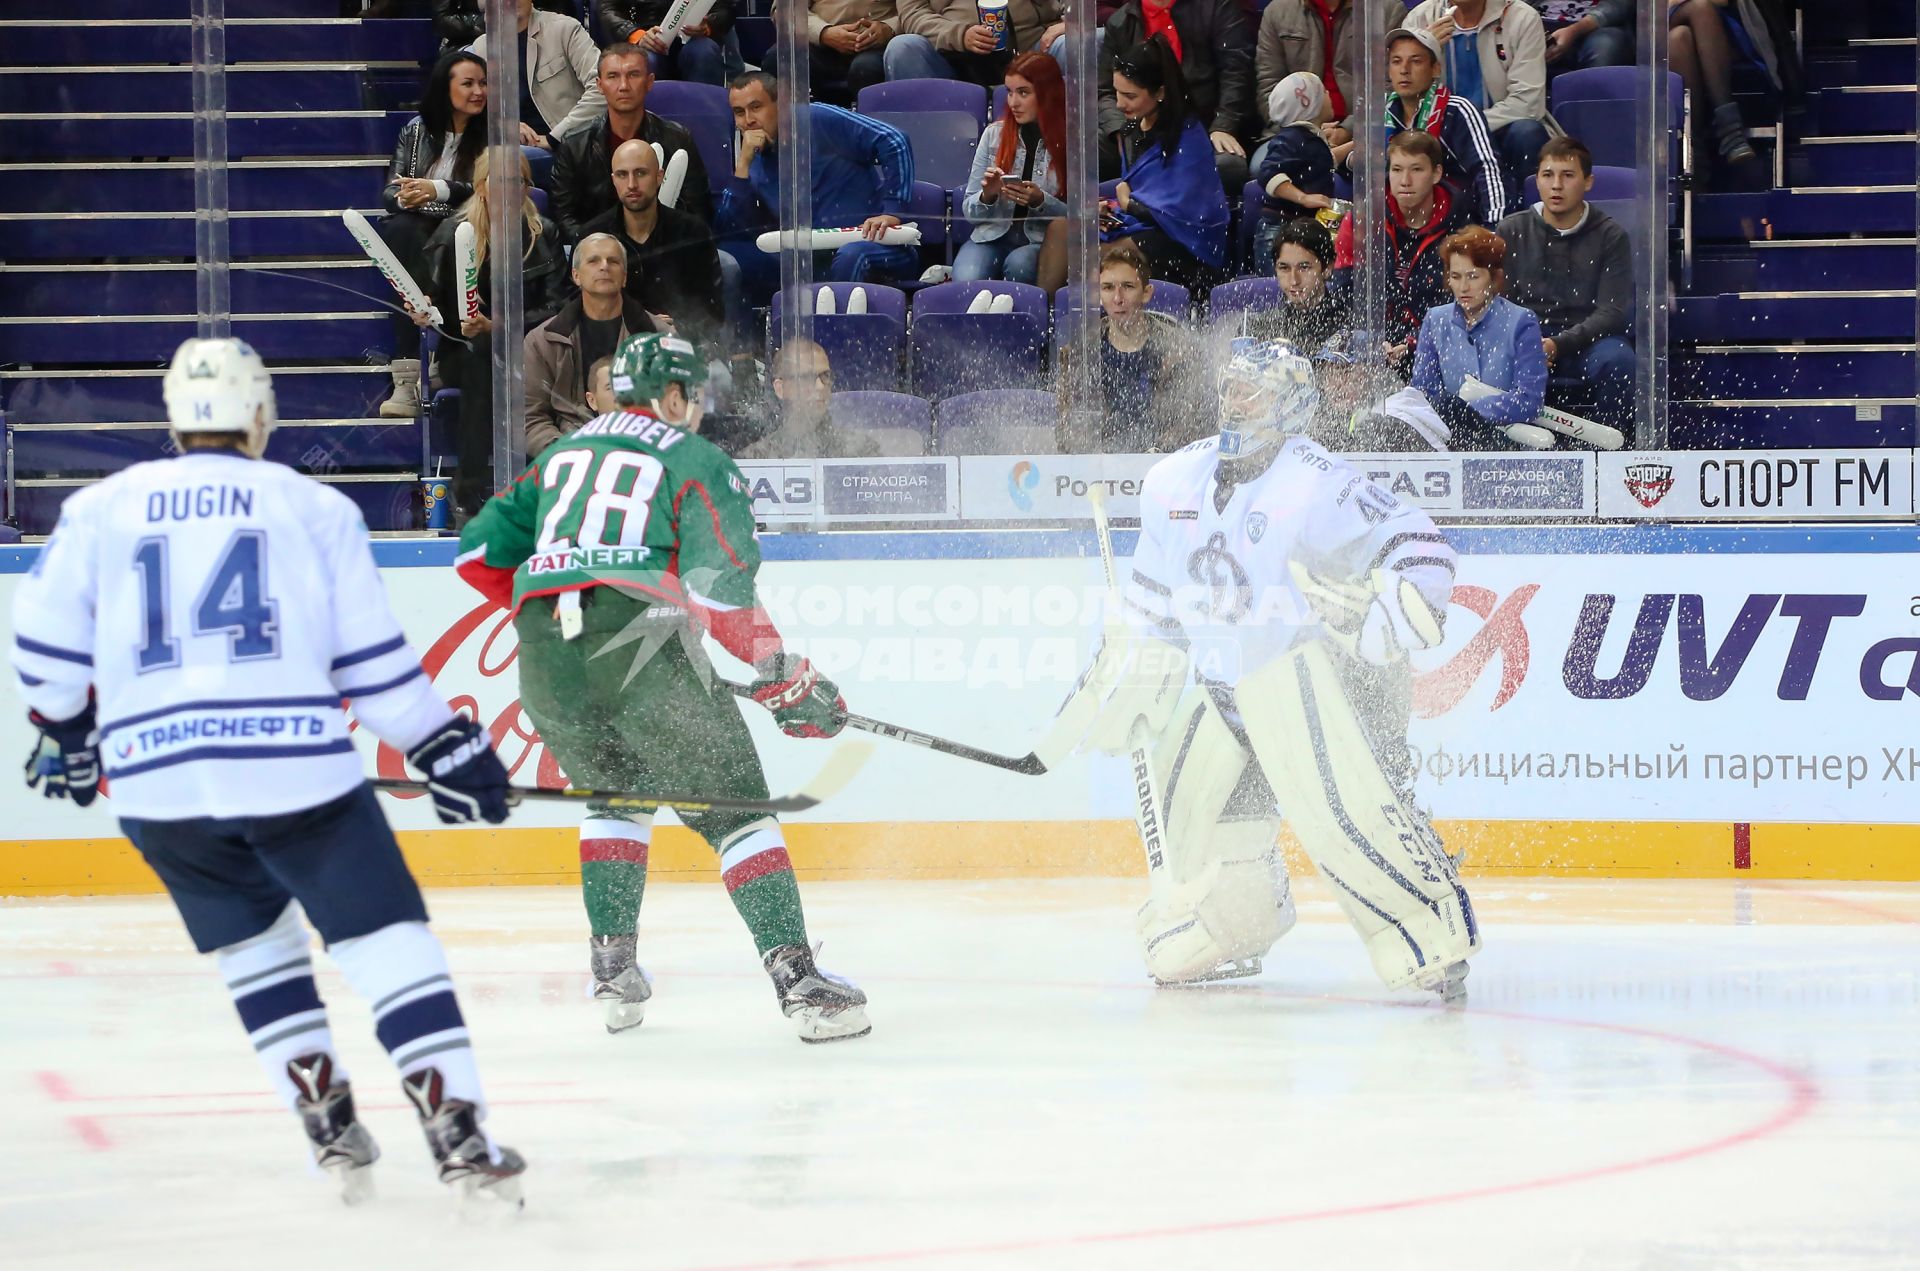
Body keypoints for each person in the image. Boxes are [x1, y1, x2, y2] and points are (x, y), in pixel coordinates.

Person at [10, 337, 525, 1204]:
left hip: (154, 782)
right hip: (295, 774)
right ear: (260, 413)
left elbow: (44, 647)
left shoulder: (101, 507)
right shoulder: (310, 505)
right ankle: (459, 1132)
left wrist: (67, 728)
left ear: (175, 417)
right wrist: (448, 746)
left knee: (254, 949)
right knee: (383, 939)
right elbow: (371, 664)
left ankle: (328, 1125)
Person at [455, 333, 873, 1044]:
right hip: (634, 640)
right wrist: (782, 674)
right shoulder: (693, 457)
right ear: (673, 397)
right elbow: (720, 589)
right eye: (695, 397)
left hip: (543, 651)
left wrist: (568, 624)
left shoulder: (560, 457)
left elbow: (475, 552)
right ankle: (801, 985)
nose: (700, 412)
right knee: (737, 810)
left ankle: (614, 969)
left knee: (619, 796)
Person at [1075, 336, 1475, 997]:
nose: (1236, 400)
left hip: (1324, 682)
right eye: (1232, 386)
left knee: (1355, 816)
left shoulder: (1318, 481)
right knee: (1206, 884)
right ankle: (1245, 922)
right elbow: (1152, 605)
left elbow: (1418, 544)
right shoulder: (1174, 479)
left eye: (1253, 390)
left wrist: (1396, 615)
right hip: (1227, 695)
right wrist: (1128, 663)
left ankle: (1431, 930)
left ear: (1291, 407)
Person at [417, 150, 569, 515]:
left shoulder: (542, 234)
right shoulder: (453, 231)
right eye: (501, 181)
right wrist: (423, 310)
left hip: (531, 352)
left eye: (519, 181)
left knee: (496, 355)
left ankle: (541, 487)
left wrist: (500, 327)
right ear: (483, 187)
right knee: (481, 359)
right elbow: (432, 298)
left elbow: (558, 308)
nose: (510, 189)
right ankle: (469, 492)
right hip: (466, 352)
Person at [721, 72, 918, 294]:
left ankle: (837, 329)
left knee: (851, 256)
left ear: (781, 104)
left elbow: (894, 140)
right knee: (726, 259)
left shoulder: (815, 119)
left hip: (873, 242)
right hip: (808, 255)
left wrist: (892, 209)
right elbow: (730, 228)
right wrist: (743, 166)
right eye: (739, 112)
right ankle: (740, 330)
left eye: (756, 107)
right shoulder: (752, 157)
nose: (748, 120)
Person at [377, 49, 489, 419]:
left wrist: (435, 190)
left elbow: (483, 189)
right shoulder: (415, 129)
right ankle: (410, 375)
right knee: (402, 230)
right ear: (445, 88)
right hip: (416, 226)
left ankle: (420, 365)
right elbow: (390, 190)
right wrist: (407, 195)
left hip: (466, 224)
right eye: (469, 83)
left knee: (432, 234)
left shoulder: (492, 133)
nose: (479, 91)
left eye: (483, 83)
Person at [1497, 135, 1634, 432]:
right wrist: (1527, 344)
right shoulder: (1511, 229)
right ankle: (1501, 454)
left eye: (1567, 175)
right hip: (1525, 340)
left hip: (1588, 343)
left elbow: (1612, 311)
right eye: (1547, 175)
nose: (1556, 185)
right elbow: (1497, 304)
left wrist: (1558, 345)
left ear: (1588, 182)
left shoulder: (1611, 235)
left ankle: (1612, 459)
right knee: (1489, 359)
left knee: (1620, 362)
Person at [1091, 38, 1231, 293]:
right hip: (1140, 226)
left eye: (1130, 95)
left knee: (1095, 254)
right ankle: (1053, 320)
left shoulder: (1189, 136)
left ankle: (1087, 316)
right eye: (1117, 93)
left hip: (1184, 245)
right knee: (1064, 232)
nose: (1120, 104)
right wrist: (1111, 208)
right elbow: (1137, 189)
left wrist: (1127, 203)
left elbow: (1183, 216)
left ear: (1160, 93)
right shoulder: (1131, 130)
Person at [1333, 129, 1467, 375]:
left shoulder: (1460, 229)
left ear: (1436, 173)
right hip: (1371, 341)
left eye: (1416, 170)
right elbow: (1345, 288)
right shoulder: (1362, 220)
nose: (1405, 180)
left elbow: (1463, 305)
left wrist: (1413, 343)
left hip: (1435, 348)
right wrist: (1370, 338)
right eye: (1396, 169)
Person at [551, 44, 715, 243]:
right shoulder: (575, 144)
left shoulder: (678, 139)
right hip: (599, 253)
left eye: (633, 75)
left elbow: (698, 211)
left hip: (665, 249)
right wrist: (603, 248)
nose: (623, 86)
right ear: (600, 85)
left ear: (649, 82)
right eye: (613, 76)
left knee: (727, 265)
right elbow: (565, 217)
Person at [581, 141, 730, 357]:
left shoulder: (692, 232)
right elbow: (576, 308)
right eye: (622, 175)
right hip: (611, 350)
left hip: (681, 347)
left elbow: (712, 311)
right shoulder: (592, 237)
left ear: (659, 177)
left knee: (719, 380)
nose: (631, 184)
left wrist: (674, 330)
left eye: (641, 173)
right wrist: (643, 325)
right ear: (613, 181)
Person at [1059, 243, 1210, 453]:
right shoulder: (1078, 352)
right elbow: (1068, 426)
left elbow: (1189, 423)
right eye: (1108, 288)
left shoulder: (1181, 349)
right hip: (1101, 467)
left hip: (1161, 462)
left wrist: (1152, 457)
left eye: (1128, 287)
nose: (1118, 298)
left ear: (1146, 293)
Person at [1410, 225, 1550, 450]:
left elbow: (1529, 401)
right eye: (1455, 277)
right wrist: (1453, 416)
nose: (1463, 287)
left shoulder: (1522, 321)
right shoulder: (1435, 320)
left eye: (1473, 276)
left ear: (1494, 278)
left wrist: (1466, 411)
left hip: (1507, 443)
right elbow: (1423, 393)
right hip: (1447, 442)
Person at [1096, 0, 1258, 190]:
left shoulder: (1217, 7)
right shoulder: (1120, 21)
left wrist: (1224, 125)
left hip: (1202, 128)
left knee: (1228, 166)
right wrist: (1120, 130)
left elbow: (1237, 72)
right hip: (1138, 131)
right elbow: (1105, 90)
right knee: (1087, 151)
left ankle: (1151, 200)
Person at [526, 233, 660, 460]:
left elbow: (676, 411)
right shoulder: (542, 341)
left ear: (625, 277)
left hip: (641, 455)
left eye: (613, 261)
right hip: (567, 458)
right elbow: (530, 418)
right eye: (594, 261)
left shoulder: (659, 338)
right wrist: (568, 455)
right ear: (576, 275)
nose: (604, 267)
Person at [1403, 0, 1554, 201]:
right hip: (1443, 133)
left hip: (1502, 128)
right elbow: (1406, 99)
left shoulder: (1521, 18)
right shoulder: (1419, 19)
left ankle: (1527, 221)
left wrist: (1469, 128)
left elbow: (1528, 103)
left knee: (1526, 132)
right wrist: (1423, 52)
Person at [1368, 27, 1507, 226]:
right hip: (1397, 225)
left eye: (1416, 61)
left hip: (1456, 224)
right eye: (1396, 61)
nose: (1404, 69)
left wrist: (1495, 228)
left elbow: (1487, 171)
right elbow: (1368, 172)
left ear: (1436, 69)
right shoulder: (1380, 112)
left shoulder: (1458, 111)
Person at [956, 53, 1068, 284]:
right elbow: (969, 211)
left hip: (1042, 241)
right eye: (1009, 92)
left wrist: (1040, 202)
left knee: (1019, 265)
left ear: (1047, 94)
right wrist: (987, 196)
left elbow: (1082, 217)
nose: (1013, 102)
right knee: (967, 279)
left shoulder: (1073, 141)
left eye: (1023, 93)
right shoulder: (994, 134)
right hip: (990, 236)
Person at [471, 0, 608, 185]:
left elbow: (603, 88)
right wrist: (506, 126)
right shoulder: (482, 46)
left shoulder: (564, 29)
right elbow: (475, 108)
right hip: (509, 144)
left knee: (503, 163)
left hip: (566, 144)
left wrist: (554, 138)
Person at [1255, 0, 1400, 150]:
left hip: (1366, 134)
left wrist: (1349, 129)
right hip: (1289, 133)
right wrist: (1305, 132)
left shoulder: (1387, 10)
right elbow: (1268, 85)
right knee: (1270, 167)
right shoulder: (1278, 11)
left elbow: (1390, 86)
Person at [1250, 71, 1338, 268]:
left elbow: (1323, 162)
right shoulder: (1291, 139)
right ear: (1310, 104)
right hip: (1279, 232)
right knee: (1276, 294)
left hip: (1296, 232)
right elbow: (1268, 173)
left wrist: (1358, 145)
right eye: (1323, 91)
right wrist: (1303, 198)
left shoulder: (1306, 139)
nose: (1329, 94)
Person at [739, 339, 884, 459]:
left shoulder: (862, 451)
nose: (820, 386)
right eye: (806, 377)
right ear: (780, 389)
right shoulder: (757, 458)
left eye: (825, 376)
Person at [886, 0, 1063, 86]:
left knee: (1070, 43)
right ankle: (924, 148)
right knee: (902, 48)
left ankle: (1070, 148)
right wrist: (959, 35)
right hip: (949, 55)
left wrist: (1068, 24)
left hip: (1030, 46)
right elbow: (913, 12)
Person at [1238, 218, 1350, 353]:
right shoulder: (1255, 327)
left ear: (1327, 269)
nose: (1294, 280)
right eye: (1284, 268)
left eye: (1304, 267)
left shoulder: (1349, 328)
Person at [1668, 0, 1757, 170]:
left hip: (1720, 27)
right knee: (1699, 7)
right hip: (1655, 30)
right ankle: (1731, 131)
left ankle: (1695, 153)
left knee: (1679, 38)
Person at [765, 0, 900, 104]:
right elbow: (784, 10)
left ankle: (872, 134)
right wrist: (823, 33)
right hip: (820, 42)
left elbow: (916, 10)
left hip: (877, 44)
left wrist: (889, 28)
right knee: (780, 58)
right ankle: (790, 134)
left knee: (866, 68)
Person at [602, 0, 745, 88]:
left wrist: (709, 24)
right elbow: (608, 9)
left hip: (695, 37)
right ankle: (649, 131)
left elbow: (726, 7)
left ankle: (706, 125)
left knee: (705, 53)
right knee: (644, 61)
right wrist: (636, 34)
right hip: (648, 37)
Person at [1530, 0, 1633, 76]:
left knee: (1606, 44)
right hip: (1535, 23)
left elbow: (1617, 6)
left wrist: (1573, 31)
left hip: (1592, 27)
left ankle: (1592, 102)